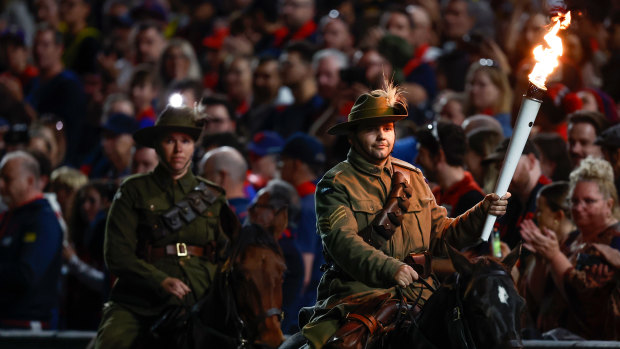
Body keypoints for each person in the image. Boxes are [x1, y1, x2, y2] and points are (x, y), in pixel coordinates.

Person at [300, 84, 510, 348]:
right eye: (371, 129)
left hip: (422, 295)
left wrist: (481, 212)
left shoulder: (413, 175)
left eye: (387, 128)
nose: (381, 136)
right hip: (360, 296)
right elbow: (344, 244)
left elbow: (442, 235)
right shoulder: (336, 184)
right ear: (352, 137)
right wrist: (391, 268)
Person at [95, 105, 238, 348]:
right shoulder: (133, 190)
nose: (178, 148)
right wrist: (160, 280)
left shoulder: (213, 196)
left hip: (201, 296)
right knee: (112, 341)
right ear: (157, 145)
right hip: (140, 301)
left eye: (186, 140)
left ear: (194, 146)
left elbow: (229, 254)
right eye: (170, 140)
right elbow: (117, 255)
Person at [521, 157, 620, 339]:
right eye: (574, 201)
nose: (579, 208)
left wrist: (554, 257)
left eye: (588, 201)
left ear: (609, 205)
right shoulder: (571, 239)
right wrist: (541, 257)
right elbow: (537, 297)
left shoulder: (616, 241)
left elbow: (587, 302)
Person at [0, 151, 63, 329]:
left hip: (25, 328)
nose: (1, 185)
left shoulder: (44, 220)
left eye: (7, 179)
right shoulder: (9, 216)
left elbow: (27, 274)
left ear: (29, 181)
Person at [248, 179, 303, 335]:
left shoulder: (283, 252)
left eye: (258, 205)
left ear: (275, 212)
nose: (250, 210)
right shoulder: (282, 246)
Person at [279, 133, 326, 313]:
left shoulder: (305, 206)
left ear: (296, 164)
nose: (280, 168)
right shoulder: (324, 198)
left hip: (303, 305)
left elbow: (302, 274)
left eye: (283, 162)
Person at [416, 121, 484, 217]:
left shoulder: (474, 203)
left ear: (439, 156)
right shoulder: (436, 194)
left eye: (421, 154)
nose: (417, 160)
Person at [200, 146, 250, 222]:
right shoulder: (255, 215)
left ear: (222, 177)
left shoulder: (216, 219)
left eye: (204, 176)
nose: (200, 183)